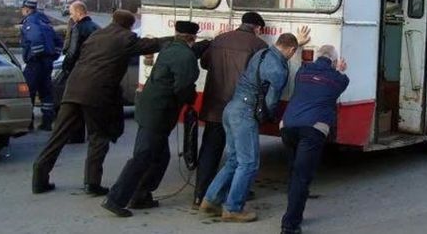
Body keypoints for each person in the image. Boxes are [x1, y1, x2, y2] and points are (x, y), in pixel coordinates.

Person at [32, 10, 170, 196]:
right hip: (97, 94)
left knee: (58, 136)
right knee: (99, 137)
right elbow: (151, 44)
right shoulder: (126, 37)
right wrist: (177, 39)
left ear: (113, 20)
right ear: (129, 26)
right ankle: (92, 183)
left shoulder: (96, 35)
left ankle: (39, 178)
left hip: (73, 89)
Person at [199, 31, 307, 223]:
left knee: (234, 160)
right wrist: (269, 117)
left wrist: (297, 43)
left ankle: (210, 200)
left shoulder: (261, 53)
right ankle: (233, 208)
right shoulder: (279, 70)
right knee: (248, 163)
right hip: (245, 115)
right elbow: (271, 101)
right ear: (292, 50)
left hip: (231, 109)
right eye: (293, 52)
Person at [102, 21, 204, 217]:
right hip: (159, 113)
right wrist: (190, 99)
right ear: (192, 37)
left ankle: (141, 195)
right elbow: (183, 86)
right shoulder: (186, 56)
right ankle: (115, 199)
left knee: (160, 157)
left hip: (149, 108)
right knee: (143, 156)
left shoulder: (170, 48)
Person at [193, 12, 269, 209]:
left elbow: (205, 63)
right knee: (240, 155)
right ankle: (234, 194)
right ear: (257, 28)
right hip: (240, 106)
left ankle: (200, 195)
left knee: (210, 150)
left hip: (215, 105)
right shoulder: (259, 45)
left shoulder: (219, 39)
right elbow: (263, 76)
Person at [279, 45, 349, 234]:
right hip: (313, 128)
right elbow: (339, 85)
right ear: (334, 61)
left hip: (288, 125)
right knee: (302, 176)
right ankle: (290, 225)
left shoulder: (302, 72)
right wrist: (339, 70)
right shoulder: (338, 78)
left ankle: (294, 208)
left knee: (294, 172)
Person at [53, 1, 100, 144]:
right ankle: (94, 135)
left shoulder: (78, 28)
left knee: (75, 104)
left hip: (79, 71)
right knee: (90, 105)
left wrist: (66, 68)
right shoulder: (96, 27)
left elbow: (72, 53)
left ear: (79, 12)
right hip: (94, 70)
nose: (71, 16)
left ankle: (76, 136)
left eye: (72, 13)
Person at [20, 0, 62, 131]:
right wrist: (53, 56)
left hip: (35, 63)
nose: (22, 11)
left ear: (27, 9)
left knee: (28, 91)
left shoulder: (30, 21)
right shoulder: (45, 22)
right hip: (47, 63)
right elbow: (58, 41)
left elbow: (36, 37)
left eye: (23, 9)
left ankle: (29, 123)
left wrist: (36, 56)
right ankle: (47, 122)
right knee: (46, 92)